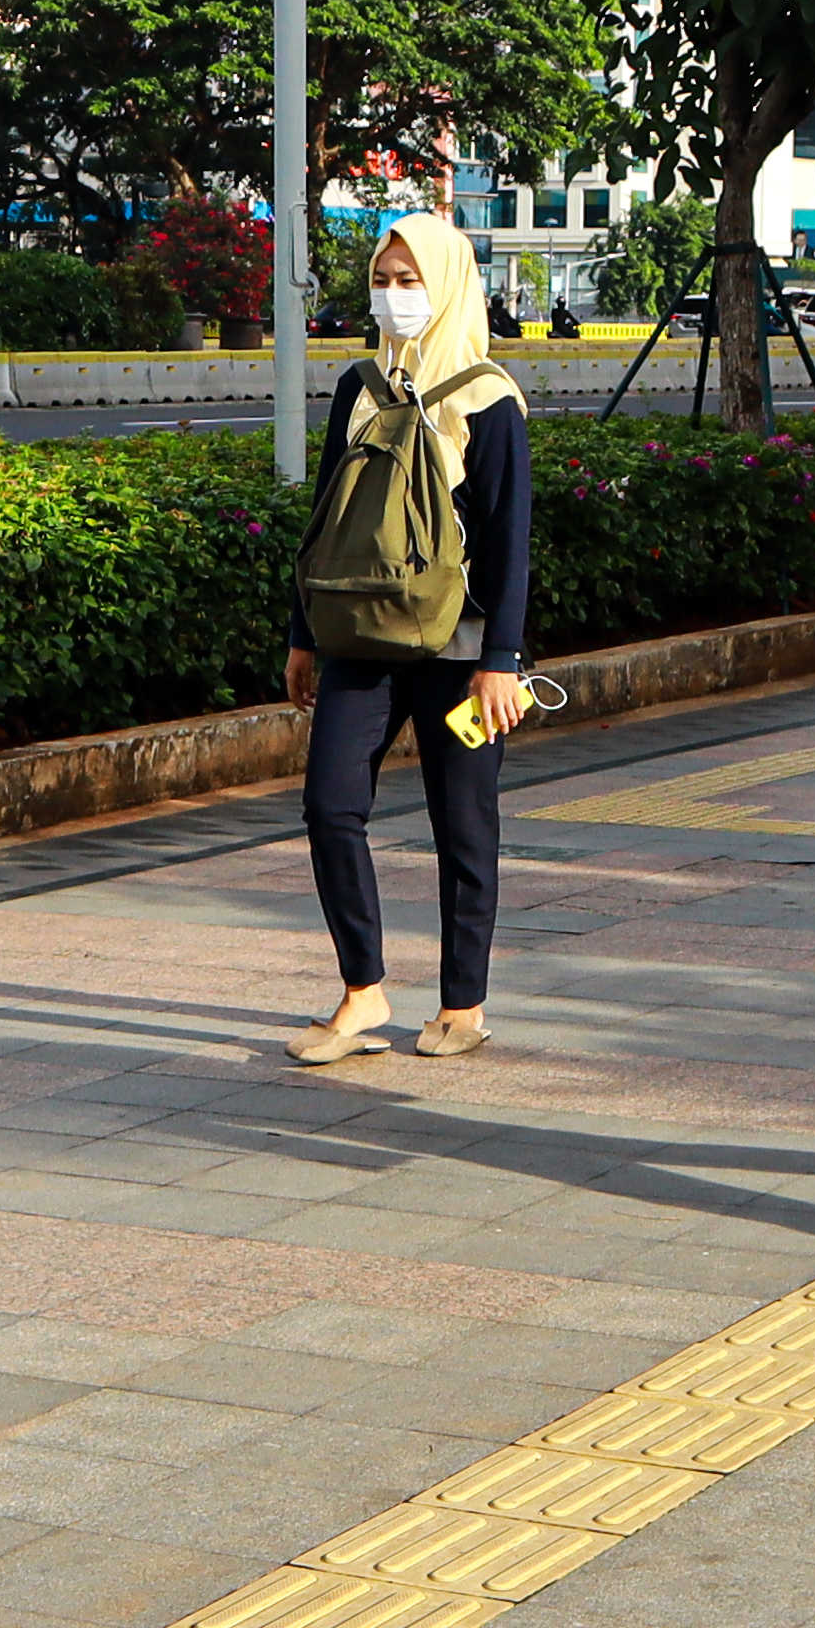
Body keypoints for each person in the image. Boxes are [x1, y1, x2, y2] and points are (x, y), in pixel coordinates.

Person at [285, 206, 533, 1065]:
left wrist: (502, 661)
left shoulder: (487, 397)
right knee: (328, 805)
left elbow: (509, 540)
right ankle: (362, 994)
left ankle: (462, 1004)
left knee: (462, 826)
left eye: (411, 281)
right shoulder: (361, 388)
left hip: (462, 654)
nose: (395, 298)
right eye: (383, 283)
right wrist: (302, 634)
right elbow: (328, 521)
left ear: (448, 285)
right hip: (358, 638)